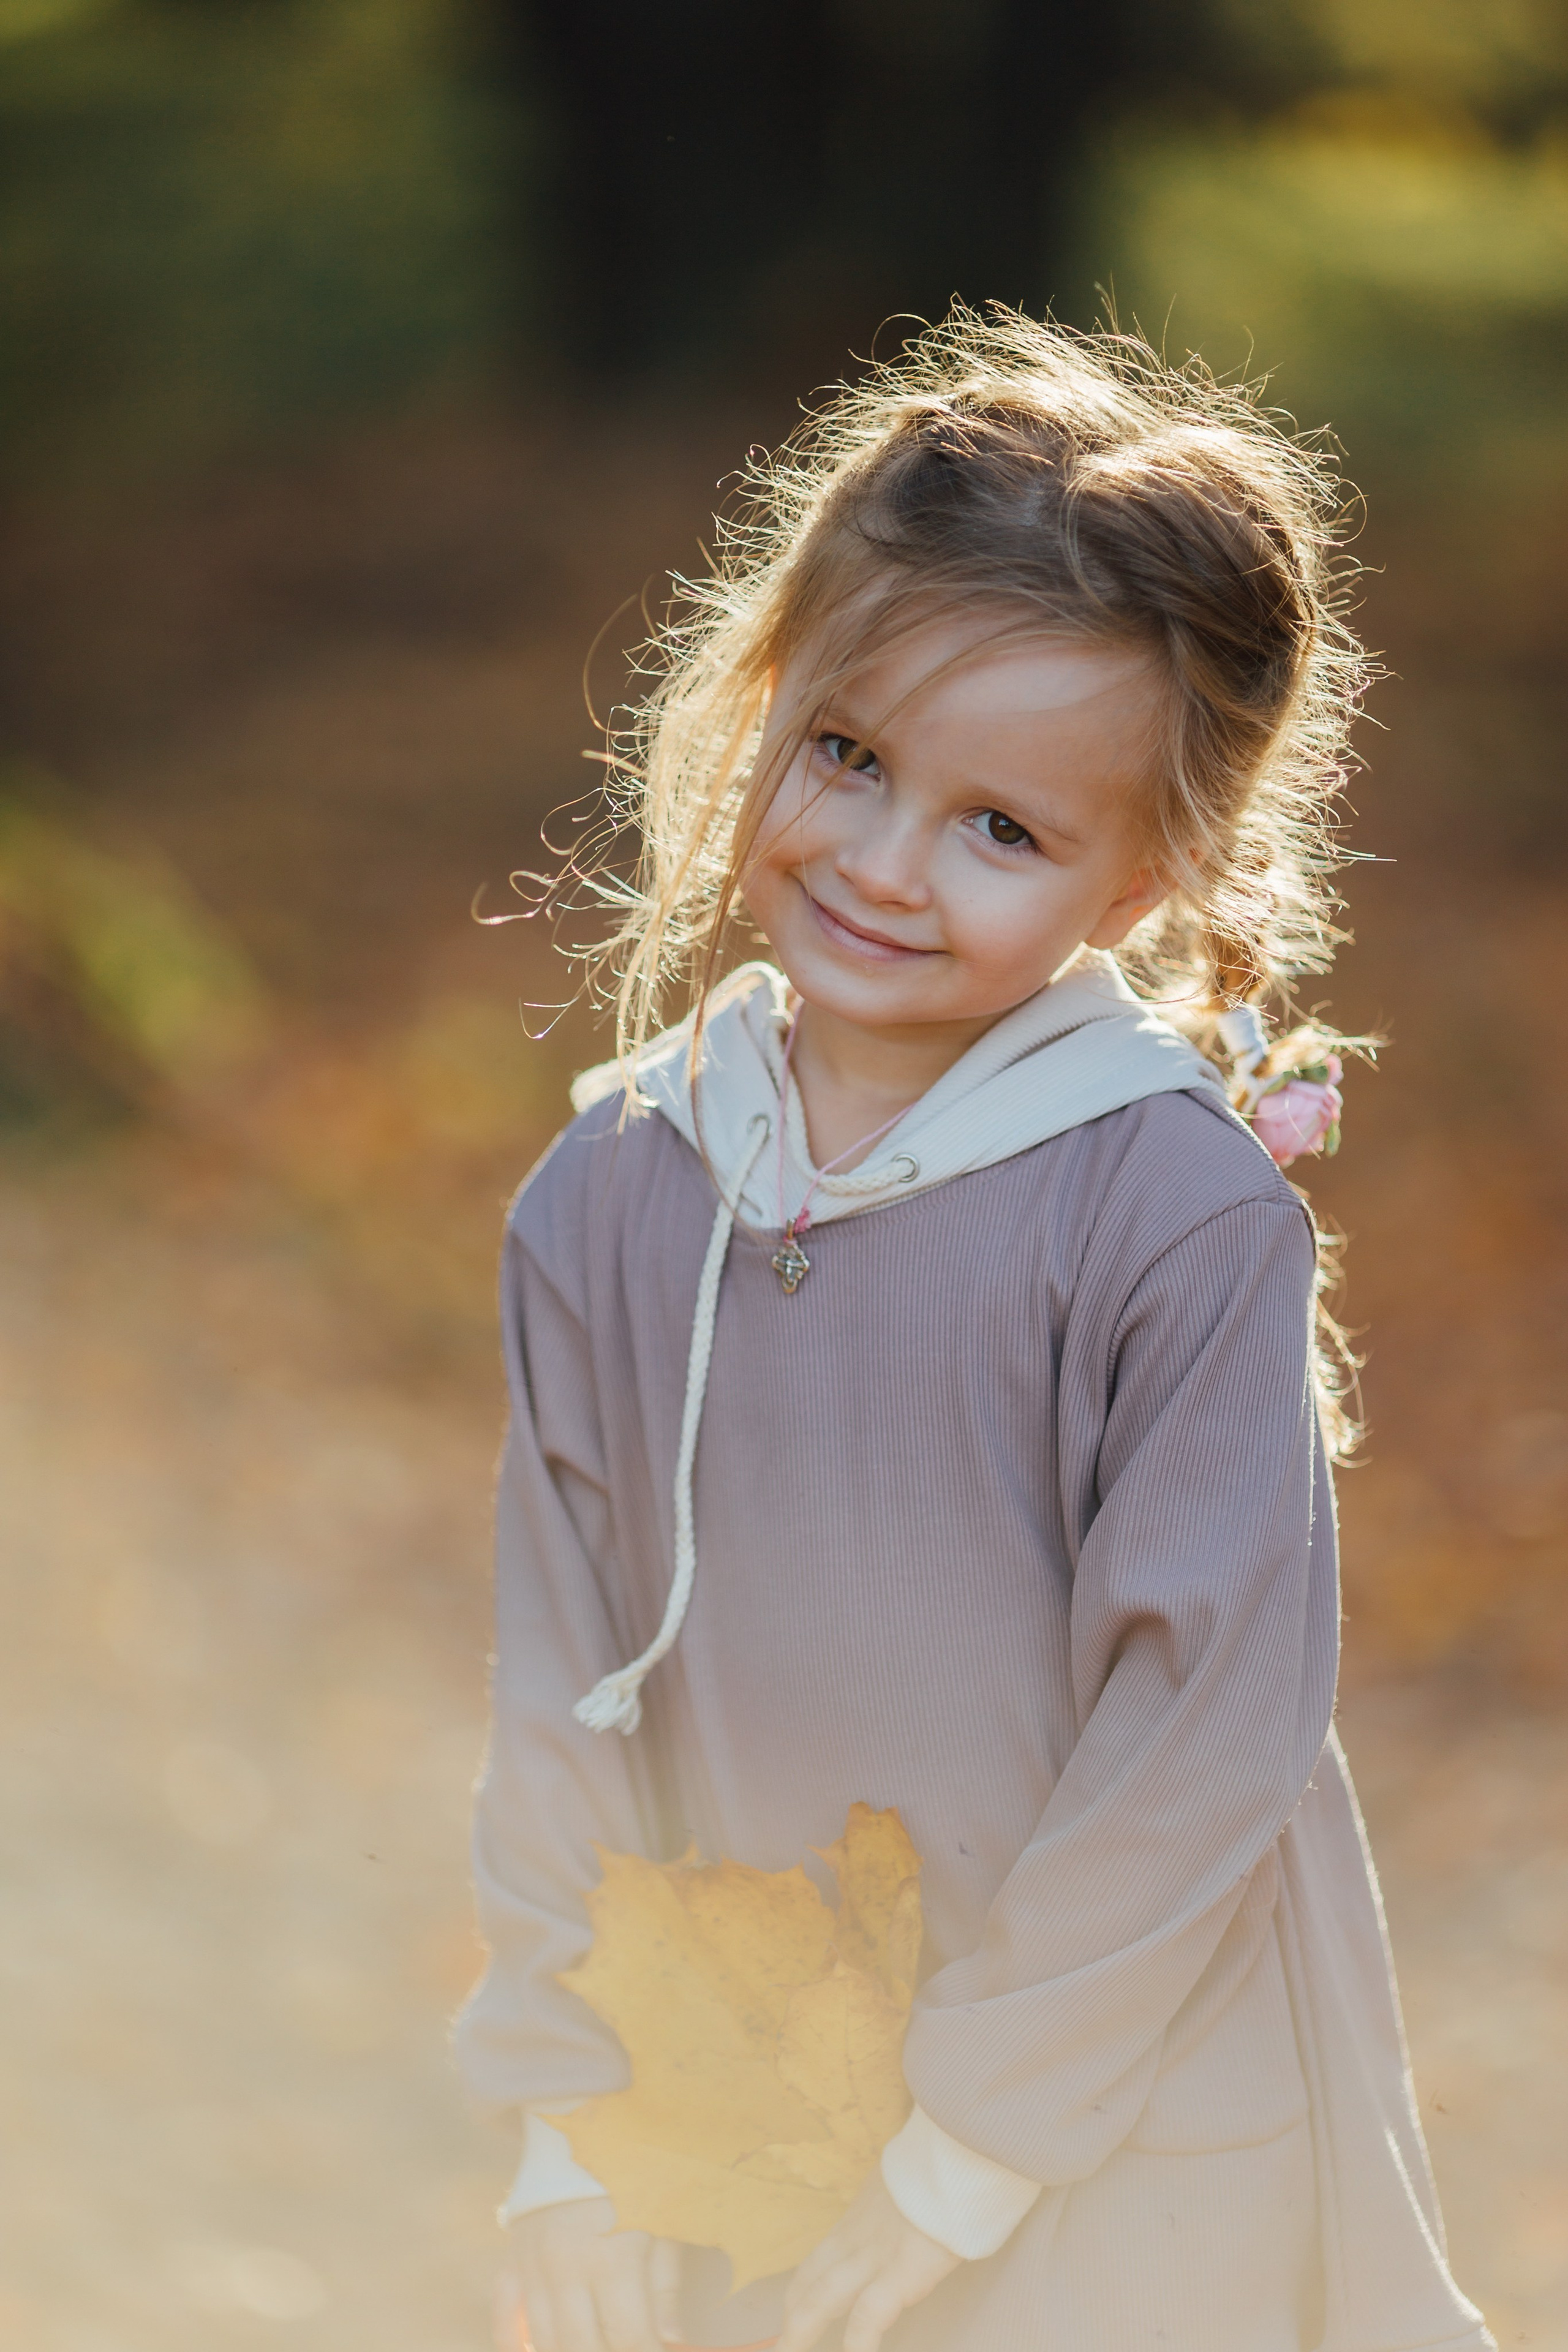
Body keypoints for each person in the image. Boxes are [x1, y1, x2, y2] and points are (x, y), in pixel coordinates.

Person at [458, 307, 1491, 2352]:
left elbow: (1205, 1722)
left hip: (1118, 2122)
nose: (882, 863)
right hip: (751, 2092)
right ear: (766, 699)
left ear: (1151, 875)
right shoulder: (616, 1186)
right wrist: (569, 2114)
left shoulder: (1168, 1212)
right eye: (847, 756)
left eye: (1002, 828)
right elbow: (560, 1679)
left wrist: (978, 2136)